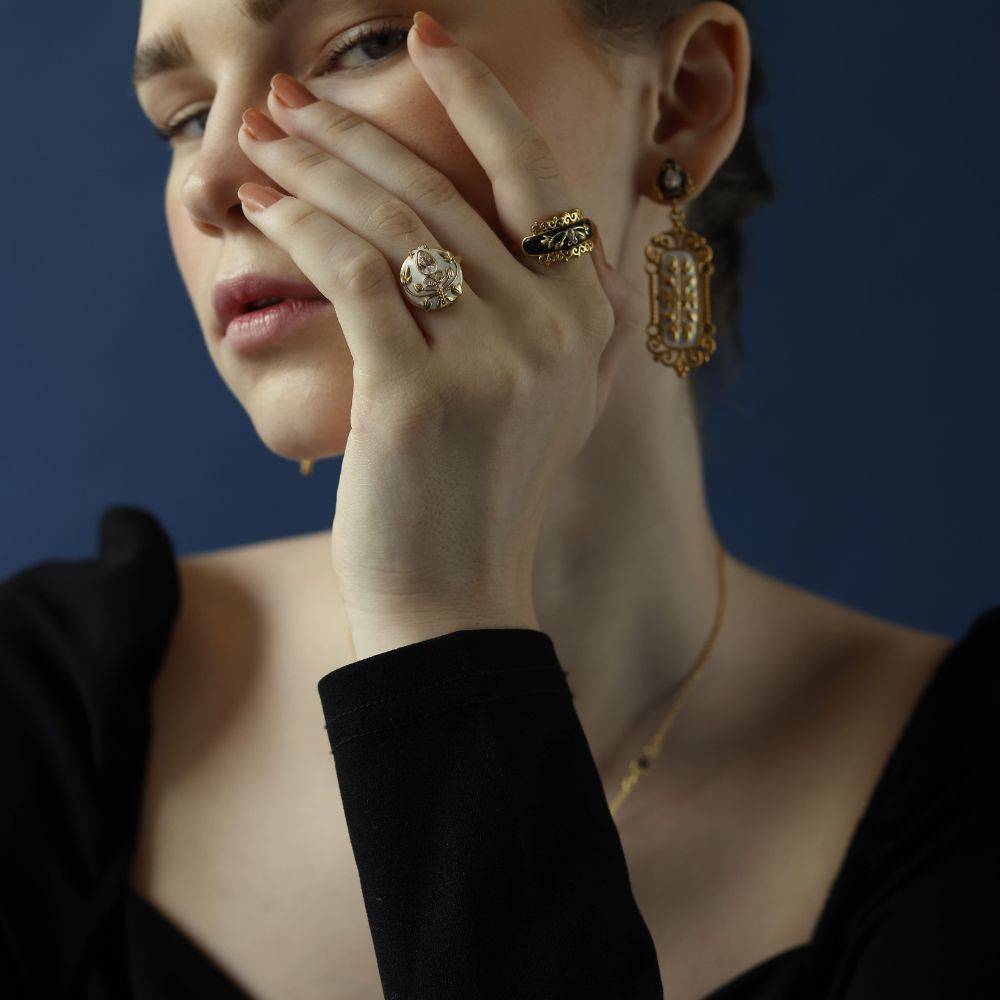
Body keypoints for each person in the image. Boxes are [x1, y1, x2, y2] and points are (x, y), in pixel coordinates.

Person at [2, 2, 997, 998]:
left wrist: (439, 625)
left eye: (363, 44)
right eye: (182, 116)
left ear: (685, 99)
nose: (215, 181)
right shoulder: (46, 710)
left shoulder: (957, 790)